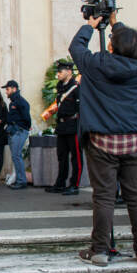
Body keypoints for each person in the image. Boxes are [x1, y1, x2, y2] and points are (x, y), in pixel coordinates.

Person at [69, 13, 137, 268]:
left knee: (104, 197)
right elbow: (132, 47)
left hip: (103, 139)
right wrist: (116, 23)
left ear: (111, 45)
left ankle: (100, 251)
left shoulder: (96, 64)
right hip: (134, 139)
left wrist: (90, 25)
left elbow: (76, 47)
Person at [45, 60, 82, 195]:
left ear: (69, 72)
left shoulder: (76, 88)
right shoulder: (61, 88)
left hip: (73, 125)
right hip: (62, 126)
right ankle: (60, 183)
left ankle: (74, 185)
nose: (58, 74)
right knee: (62, 156)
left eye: (60, 71)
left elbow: (81, 108)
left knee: (76, 157)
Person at [4, 80, 31, 190]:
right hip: (13, 131)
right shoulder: (13, 102)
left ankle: (21, 181)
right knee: (15, 156)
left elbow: (26, 118)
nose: (6, 92)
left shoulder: (21, 101)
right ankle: (20, 180)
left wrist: (21, 128)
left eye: (7, 89)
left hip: (19, 131)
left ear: (14, 89)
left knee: (16, 156)